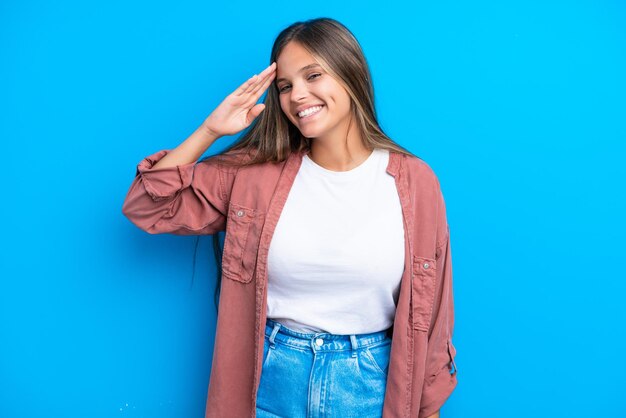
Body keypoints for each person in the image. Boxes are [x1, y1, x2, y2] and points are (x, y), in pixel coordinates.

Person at [122, 17, 457, 418]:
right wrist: (211, 130)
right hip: (270, 379)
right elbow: (147, 204)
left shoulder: (414, 181)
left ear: (351, 74)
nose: (297, 95)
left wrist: (429, 408)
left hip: (371, 383)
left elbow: (434, 312)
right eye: (285, 86)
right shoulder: (254, 176)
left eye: (313, 75)